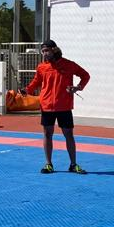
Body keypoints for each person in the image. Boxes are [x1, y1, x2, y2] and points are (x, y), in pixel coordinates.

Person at [22, 39, 90, 174]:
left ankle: (73, 164)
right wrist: (27, 90)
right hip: (47, 106)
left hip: (64, 106)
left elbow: (85, 75)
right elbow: (36, 82)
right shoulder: (42, 67)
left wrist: (78, 87)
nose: (44, 53)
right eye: (42, 51)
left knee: (68, 134)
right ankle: (49, 164)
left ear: (54, 50)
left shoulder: (68, 64)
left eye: (46, 50)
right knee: (47, 134)